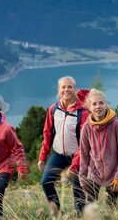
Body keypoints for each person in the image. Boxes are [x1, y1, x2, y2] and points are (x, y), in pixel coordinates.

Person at [38, 76, 89, 216]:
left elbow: (85, 143)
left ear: (75, 89)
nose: (66, 90)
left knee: (78, 190)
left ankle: (80, 216)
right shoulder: (53, 109)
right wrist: (42, 157)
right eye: (63, 87)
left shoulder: (83, 112)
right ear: (58, 90)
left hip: (77, 156)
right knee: (46, 182)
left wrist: (74, 166)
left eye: (69, 87)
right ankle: (58, 214)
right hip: (58, 154)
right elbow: (47, 133)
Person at [79, 89, 118, 209]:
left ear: (106, 104)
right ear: (89, 107)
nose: (98, 107)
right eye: (94, 104)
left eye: (101, 103)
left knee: (110, 208)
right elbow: (84, 154)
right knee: (91, 207)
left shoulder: (116, 125)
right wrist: (82, 178)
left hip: (113, 174)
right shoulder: (86, 127)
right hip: (94, 173)